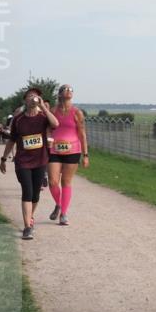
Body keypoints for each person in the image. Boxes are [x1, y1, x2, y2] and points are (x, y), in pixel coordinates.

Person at [0, 88, 59, 240]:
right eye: (30, 96)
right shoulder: (19, 120)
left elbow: (56, 124)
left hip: (40, 160)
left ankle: (30, 217)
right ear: (25, 100)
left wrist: (44, 107)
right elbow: (11, 140)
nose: (33, 98)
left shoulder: (43, 117)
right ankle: (27, 227)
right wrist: (3, 159)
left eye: (36, 96)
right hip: (23, 162)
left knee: (36, 194)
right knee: (27, 191)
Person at [47, 85, 89, 227]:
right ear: (59, 94)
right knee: (53, 181)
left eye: (71, 90)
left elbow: (82, 134)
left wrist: (86, 154)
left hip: (73, 150)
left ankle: (63, 214)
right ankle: (58, 204)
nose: (69, 91)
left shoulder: (77, 112)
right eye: (66, 89)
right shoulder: (52, 111)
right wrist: (48, 141)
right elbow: (47, 130)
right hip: (54, 150)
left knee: (66, 181)